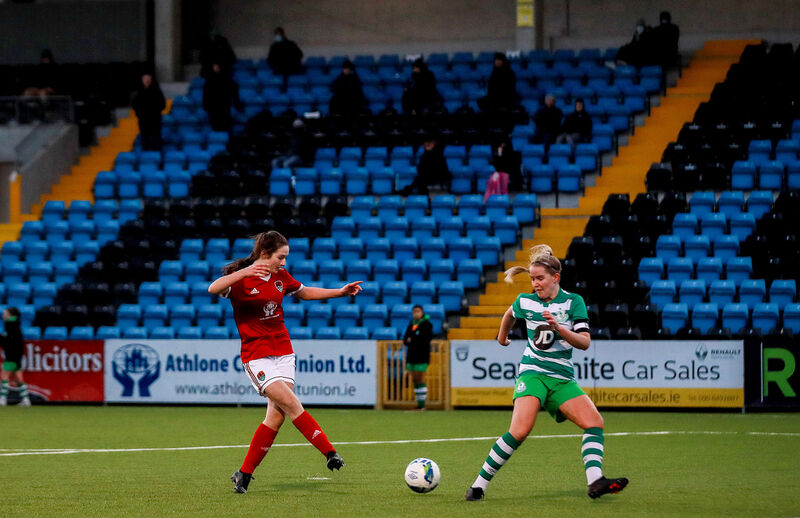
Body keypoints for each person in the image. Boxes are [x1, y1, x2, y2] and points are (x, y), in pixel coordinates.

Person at [464, 244, 628, 502]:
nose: (535, 283)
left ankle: (595, 481)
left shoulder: (574, 302)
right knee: (519, 430)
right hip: (533, 374)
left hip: (562, 378)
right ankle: (477, 486)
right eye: (532, 278)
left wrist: (560, 328)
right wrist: (502, 337)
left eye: (539, 278)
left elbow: (584, 342)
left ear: (555, 277)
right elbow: (509, 314)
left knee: (594, 422)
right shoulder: (525, 301)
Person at [207, 230, 363, 494]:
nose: (284, 263)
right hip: (257, 356)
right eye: (281, 257)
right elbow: (213, 288)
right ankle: (329, 452)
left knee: (276, 417)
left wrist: (340, 291)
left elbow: (304, 292)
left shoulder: (280, 277)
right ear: (265, 254)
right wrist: (245, 272)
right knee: (291, 403)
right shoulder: (242, 279)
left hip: (283, 353)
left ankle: (243, 475)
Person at [403, 305, 433, 410]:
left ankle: (422, 405)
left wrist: (413, 338)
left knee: (420, 378)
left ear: (422, 312)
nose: (416, 314)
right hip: (411, 355)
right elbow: (405, 339)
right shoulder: (411, 324)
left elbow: (425, 339)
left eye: (418, 311)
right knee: (414, 379)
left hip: (422, 355)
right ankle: (419, 404)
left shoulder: (427, 325)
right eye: (414, 312)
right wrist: (412, 338)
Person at [0, 307, 31, 407]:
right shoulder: (16, 325)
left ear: (10, 315)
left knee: (4, 376)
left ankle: (2, 399)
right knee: (19, 378)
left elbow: (7, 341)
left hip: (11, 355)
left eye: (5, 313)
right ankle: (26, 399)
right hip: (17, 355)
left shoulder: (10, 325)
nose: (3, 315)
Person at [203, 62, 243, 132]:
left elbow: (235, 96)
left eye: (217, 66)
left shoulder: (229, 82)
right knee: (216, 129)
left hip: (224, 110)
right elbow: (206, 97)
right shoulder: (209, 82)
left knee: (224, 129)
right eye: (214, 66)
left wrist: (237, 104)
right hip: (214, 110)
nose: (215, 68)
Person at [131, 72, 166, 151]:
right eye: (145, 79)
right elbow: (135, 105)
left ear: (151, 80)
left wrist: (154, 111)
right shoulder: (138, 92)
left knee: (156, 140)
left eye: (148, 79)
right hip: (143, 120)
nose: (146, 80)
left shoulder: (157, 91)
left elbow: (162, 104)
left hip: (155, 120)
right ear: (142, 80)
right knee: (145, 140)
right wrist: (140, 114)